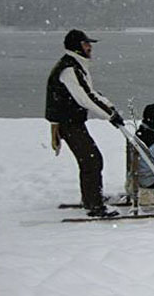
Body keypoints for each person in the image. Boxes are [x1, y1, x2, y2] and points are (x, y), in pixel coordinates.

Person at [45, 29, 125, 218]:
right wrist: (110, 116)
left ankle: (91, 198)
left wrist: (111, 108)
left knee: (90, 159)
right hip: (68, 123)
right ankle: (94, 206)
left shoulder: (76, 65)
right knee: (91, 160)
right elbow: (85, 98)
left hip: (73, 121)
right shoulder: (69, 69)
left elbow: (92, 93)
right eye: (85, 44)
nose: (90, 47)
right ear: (76, 47)